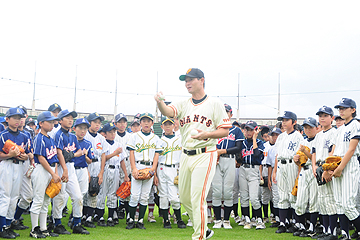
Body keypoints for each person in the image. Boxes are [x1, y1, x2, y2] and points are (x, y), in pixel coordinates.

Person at [155, 68, 231, 240]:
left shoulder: (215, 103)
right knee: (185, 198)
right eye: (185, 80)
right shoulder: (183, 103)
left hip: (206, 152)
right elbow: (168, 112)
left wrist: (206, 134)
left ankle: (200, 236)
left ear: (201, 80)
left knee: (198, 198)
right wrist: (160, 102)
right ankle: (203, 227)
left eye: (191, 79)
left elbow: (225, 131)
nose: (187, 83)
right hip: (186, 154)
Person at [52, 109, 89, 235]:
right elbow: (59, 153)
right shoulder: (58, 134)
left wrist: (70, 155)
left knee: (78, 196)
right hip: (62, 168)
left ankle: (77, 223)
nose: (70, 120)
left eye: (71, 118)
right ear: (60, 120)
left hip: (71, 167)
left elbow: (80, 153)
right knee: (60, 197)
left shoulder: (73, 136)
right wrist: (65, 168)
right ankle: (57, 223)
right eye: (67, 118)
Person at [329, 98, 360, 240]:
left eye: (344, 108)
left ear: (353, 110)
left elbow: (352, 149)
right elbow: (334, 152)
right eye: (339, 108)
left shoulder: (356, 125)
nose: (341, 110)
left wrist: (340, 168)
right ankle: (345, 235)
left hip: (349, 165)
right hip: (338, 164)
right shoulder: (339, 130)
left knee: (348, 204)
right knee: (340, 204)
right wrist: (330, 167)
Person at [0, 108, 33, 239]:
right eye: (14, 118)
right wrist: (9, 154)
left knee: (14, 197)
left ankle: (8, 226)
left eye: (19, 118)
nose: (17, 121)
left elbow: (28, 152)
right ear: (7, 119)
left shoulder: (25, 136)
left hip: (19, 167)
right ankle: (2, 227)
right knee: (5, 196)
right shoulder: (3, 135)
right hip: (6, 166)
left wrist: (26, 157)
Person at [126, 113, 161, 230]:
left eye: (148, 121)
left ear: (152, 123)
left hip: (149, 167)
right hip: (138, 165)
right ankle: (131, 220)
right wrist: (133, 168)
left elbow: (157, 155)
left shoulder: (156, 138)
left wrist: (153, 170)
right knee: (134, 195)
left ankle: (140, 220)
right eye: (144, 121)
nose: (146, 123)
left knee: (145, 196)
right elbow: (131, 153)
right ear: (140, 123)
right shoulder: (134, 136)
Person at [272, 111, 305, 234]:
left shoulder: (298, 136)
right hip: (281, 165)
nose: (284, 122)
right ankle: (283, 223)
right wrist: (274, 171)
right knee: (282, 196)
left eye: (286, 120)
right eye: (283, 120)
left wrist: (298, 173)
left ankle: (295, 223)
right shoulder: (281, 137)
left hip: (293, 165)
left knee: (293, 195)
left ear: (294, 122)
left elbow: (301, 156)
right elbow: (277, 155)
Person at [29, 111, 61, 238]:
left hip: (51, 171)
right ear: (41, 123)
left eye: (53, 121)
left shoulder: (50, 139)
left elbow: (55, 158)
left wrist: (56, 173)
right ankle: (34, 229)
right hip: (42, 170)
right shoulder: (39, 138)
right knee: (38, 200)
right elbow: (41, 158)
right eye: (49, 121)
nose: (52, 124)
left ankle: (43, 228)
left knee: (46, 201)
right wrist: (53, 173)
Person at [212, 104, 243, 229]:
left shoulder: (236, 130)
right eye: (222, 112)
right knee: (217, 191)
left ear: (231, 114)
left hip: (230, 160)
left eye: (227, 112)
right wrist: (215, 152)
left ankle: (226, 220)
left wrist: (222, 151)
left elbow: (238, 148)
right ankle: (217, 220)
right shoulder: (213, 129)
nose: (225, 114)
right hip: (216, 161)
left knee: (229, 191)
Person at [312, 106, 338, 240]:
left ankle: (332, 232)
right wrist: (314, 167)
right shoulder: (318, 134)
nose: (322, 117)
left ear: (332, 118)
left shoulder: (335, 132)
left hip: (328, 168)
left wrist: (327, 169)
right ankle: (326, 230)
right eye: (320, 115)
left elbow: (333, 151)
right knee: (322, 201)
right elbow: (314, 152)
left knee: (330, 201)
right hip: (319, 167)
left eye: (325, 115)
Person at [96, 122, 127, 227]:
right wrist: (115, 153)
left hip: (116, 170)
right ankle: (100, 216)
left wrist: (126, 175)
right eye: (110, 132)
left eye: (114, 131)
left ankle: (110, 217)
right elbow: (103, 158)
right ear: (105, 133)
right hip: (106, 169)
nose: (113, 133)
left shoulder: (118, 144)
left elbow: (122, 161)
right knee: (102, 193)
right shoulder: (103, 143)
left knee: (113, 194)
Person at [157, 117, 186, 229]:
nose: (168, 126)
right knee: (163, 196)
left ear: (174, 125)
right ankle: (166, 220)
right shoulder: (159, 141)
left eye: (170, 124)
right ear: (162, 126)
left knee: (174, 197)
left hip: (174, 169)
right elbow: (156, 158)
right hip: (162, 168)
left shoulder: (180, 140)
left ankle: (179, 219)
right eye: (166, 124)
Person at [293, 117, 319, 237]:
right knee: (300, 200)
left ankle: (312, 227)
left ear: (316, 128)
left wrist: (305, 152)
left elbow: (314, 157)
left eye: (310, 127)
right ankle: (302, 226)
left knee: (313, 200)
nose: (307, 130)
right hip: (304, 170)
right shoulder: (303, 141)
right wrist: (296, 160)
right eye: (305, 127)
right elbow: (300, 161)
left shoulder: (318, 140)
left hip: (314, 171)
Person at [237, 121, 266, 230]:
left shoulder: (259, 142)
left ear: (255, 130)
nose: (248, 132)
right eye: (247, 129)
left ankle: (259, 220)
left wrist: (254, 138)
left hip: (254, 170)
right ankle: (247, 220)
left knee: (254, 197)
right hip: (243, 169)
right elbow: (239, 157)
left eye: (251, 130)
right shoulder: (242, 143)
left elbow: (257, 155)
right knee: (244, 197)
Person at [83, 112, 107, 228]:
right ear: (89, 123)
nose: (97, 125)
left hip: (97, 164)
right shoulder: (84, 135)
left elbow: (103, 155)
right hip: (86, 165)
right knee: (83, 192)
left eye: (99, 123)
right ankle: (79, 216)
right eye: (95, 122)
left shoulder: (101, 138)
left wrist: (101, 172)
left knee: (94, 190)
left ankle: (88, 217)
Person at [71, 118, 94, 226]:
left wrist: (84, 155)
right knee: (65, 196)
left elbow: (90, 160)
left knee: (82, 194)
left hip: (82, 170)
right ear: (74, 128)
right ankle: (56, 220)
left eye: (85, 128)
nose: (83, 131)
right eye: (80, 128)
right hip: (71, 169)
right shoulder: (70, 140)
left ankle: (74, 218)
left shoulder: (88, 143)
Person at [267, 127, 282, 228]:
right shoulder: (271, 149)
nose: (275, 137)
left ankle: (287, 219)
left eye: (277, 135)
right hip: (274, 172)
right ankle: (277, 219)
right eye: (273, 135)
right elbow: (269, 165)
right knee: (276, 197)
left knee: (285, 197)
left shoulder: (284, 146)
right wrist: (269, 179)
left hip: (284, 169)